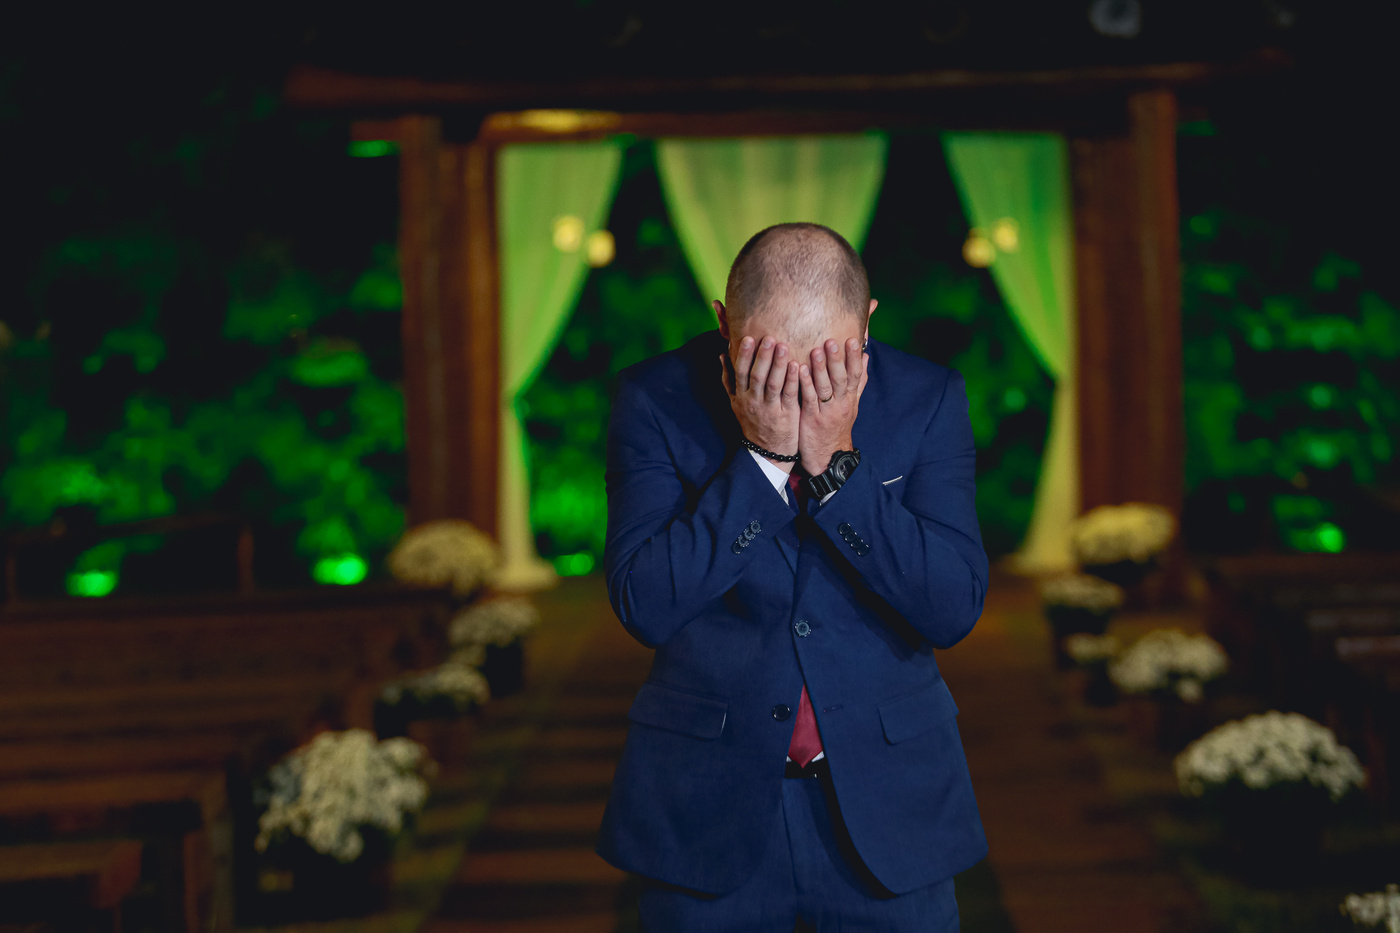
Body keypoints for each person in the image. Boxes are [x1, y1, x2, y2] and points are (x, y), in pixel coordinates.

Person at [597, 222, 989, 931]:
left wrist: (839, 467)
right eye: (768, 363)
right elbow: (644, 603)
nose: (801, 390)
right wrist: (762, 462)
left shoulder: (928, 396)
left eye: (830, 361)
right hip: (706, 804)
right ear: (724, 323)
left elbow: (952, 605)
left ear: (867, 323)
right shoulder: (655, 398)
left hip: (891, 803)